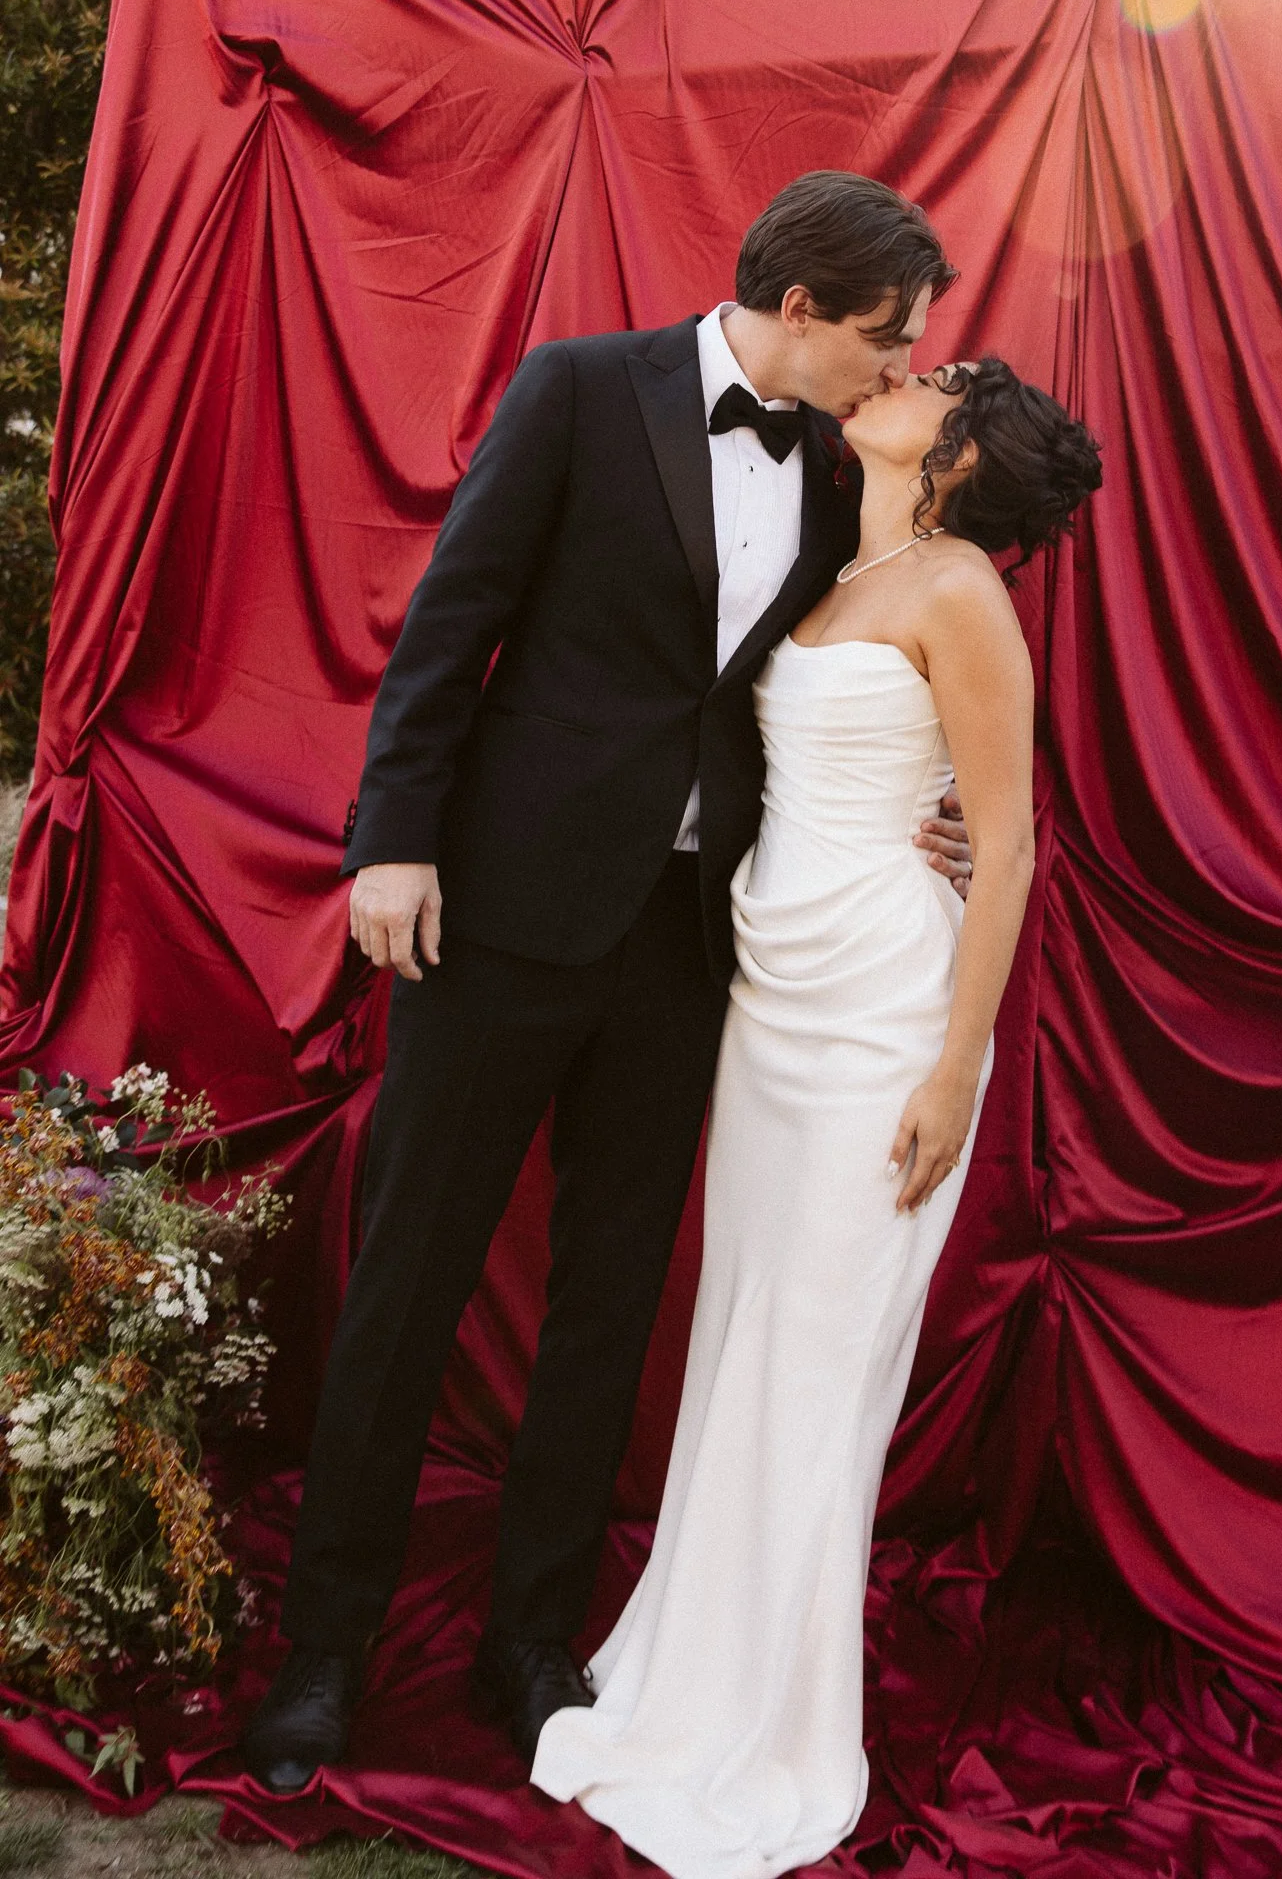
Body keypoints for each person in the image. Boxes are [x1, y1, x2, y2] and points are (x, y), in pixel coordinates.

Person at [241, 171, 976, 1792]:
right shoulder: (581, 386)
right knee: (409, 1283)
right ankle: (324, 1654)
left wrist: (921, 805)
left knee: (607, 1308)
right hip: (495, 915)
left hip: (694, 945)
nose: (900, 362)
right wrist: (395, 838)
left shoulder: (853, 471)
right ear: (799, 309)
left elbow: (850, 669)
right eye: (883, 333)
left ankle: (533, 1645)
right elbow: (457, 617)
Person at [530, 358, 1103, 1879]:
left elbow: (1011, 846)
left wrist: (955, 1070)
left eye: (946, 379)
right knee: (743, 1339)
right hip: (767, 1009)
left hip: (883, 1021)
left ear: (967, 450)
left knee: (822, 1368)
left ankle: (775, 1727)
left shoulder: (963, 588)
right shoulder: (842, 553)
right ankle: (686, 1671)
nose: (911, 369)